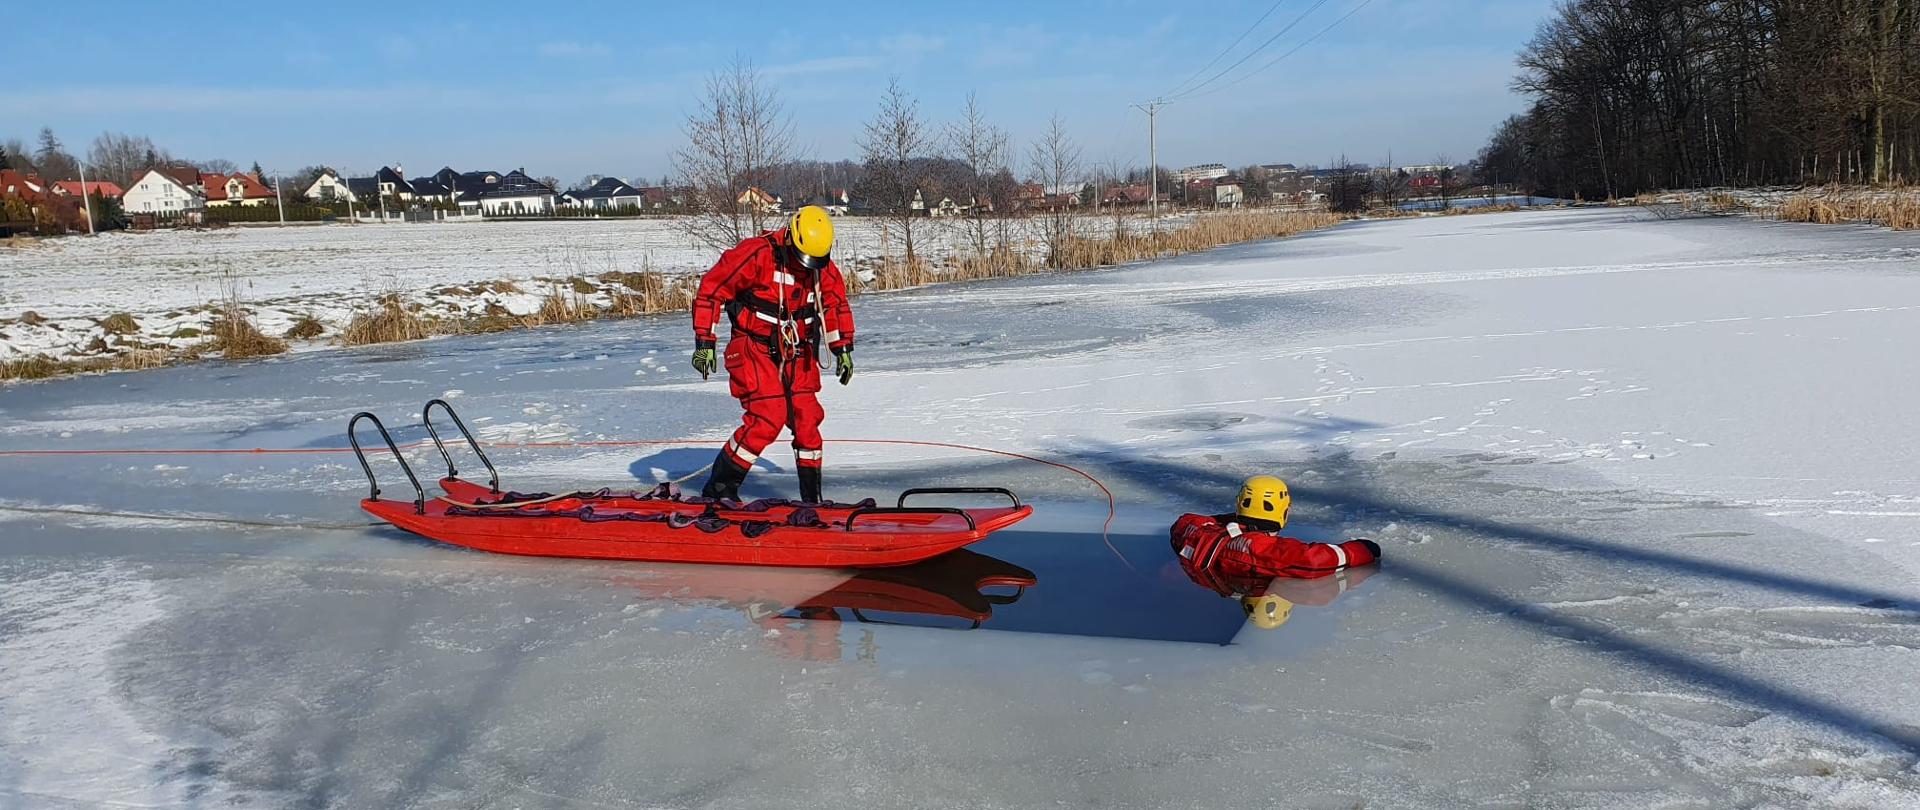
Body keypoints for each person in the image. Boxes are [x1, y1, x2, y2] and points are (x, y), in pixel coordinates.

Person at [690, 205, 856, 503]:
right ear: (790, 238)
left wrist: (842, 348)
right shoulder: (757, 255)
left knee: (807, 420)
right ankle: (719, 490)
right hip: (753, 347)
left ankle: (812, 499)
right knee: (768, 416)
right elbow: (712, 290)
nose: (808, 266)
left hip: (798, 350)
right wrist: (705, 341)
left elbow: (835, 306)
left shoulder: (822, 268)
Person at [1170, 475, 1381, 611]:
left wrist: (1236, 521)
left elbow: (1184, 522)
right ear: (1283, 510)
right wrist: (1362, 550)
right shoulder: (1259, 548)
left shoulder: (1195, 529)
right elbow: (1311, 562)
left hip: (1185, 588)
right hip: (1199, 594)